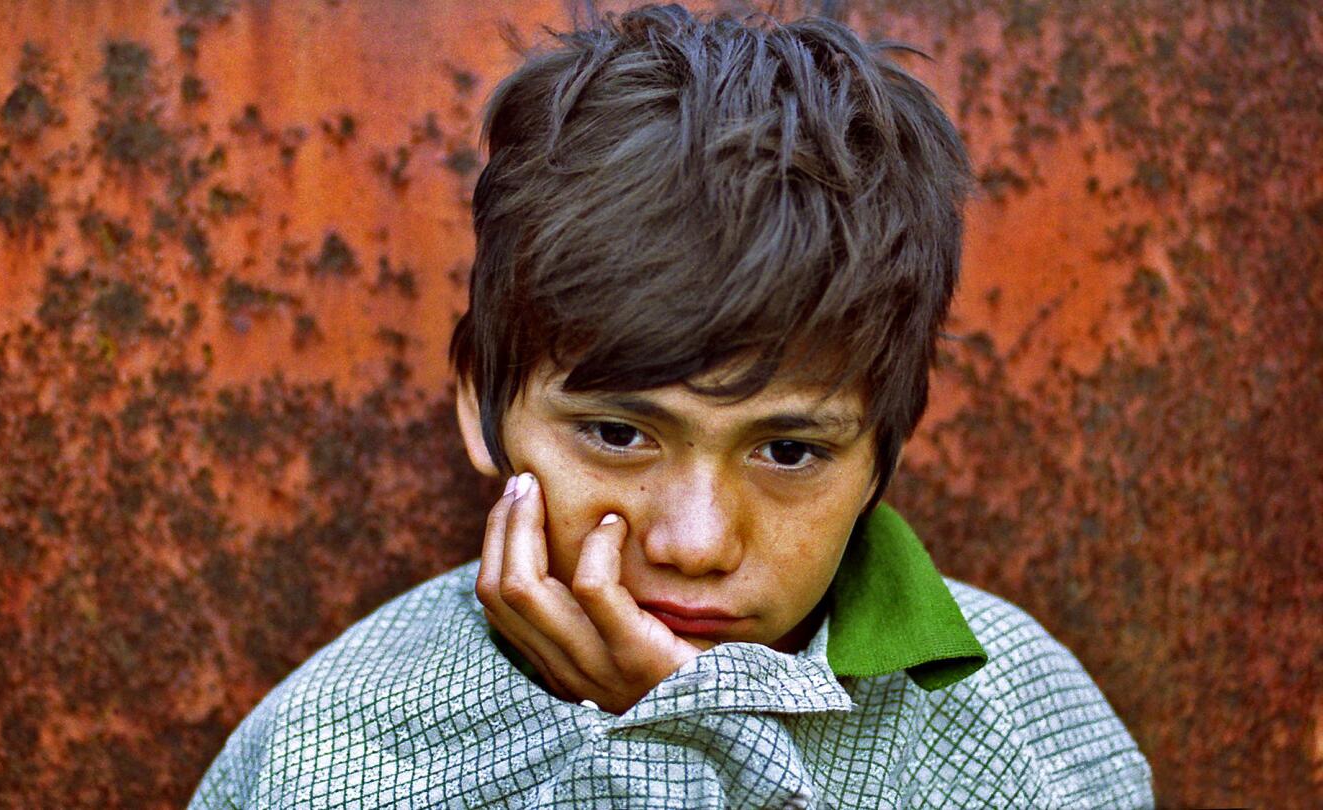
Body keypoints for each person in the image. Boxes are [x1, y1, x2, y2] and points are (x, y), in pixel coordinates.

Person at [189, 5, 1153, 807]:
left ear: (881, 455)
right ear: (482, 406)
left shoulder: (1025, 722)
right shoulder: (342, 756)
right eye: (617, 433)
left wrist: (690, 721)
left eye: (787, 452)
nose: (693, 543)